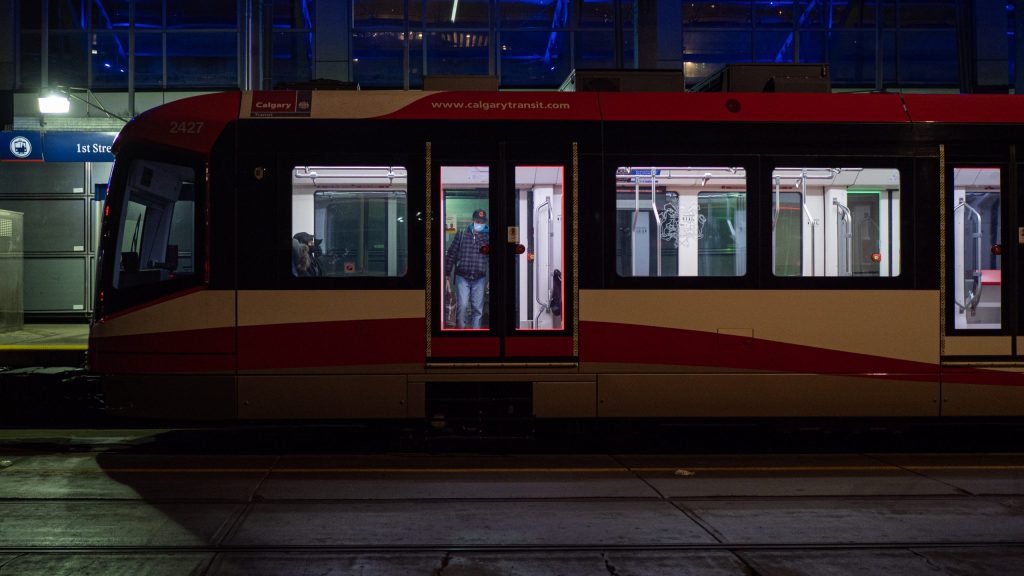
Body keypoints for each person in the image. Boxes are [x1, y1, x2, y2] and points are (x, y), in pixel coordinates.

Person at [444, 208, 489, 328]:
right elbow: (452, 253)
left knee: (477, 309)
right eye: (478, 220)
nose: (479, 223)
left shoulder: (488, 237)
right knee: (462, 306)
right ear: (473, 220)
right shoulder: (462, 233)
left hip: (480, 278)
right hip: (462, 277)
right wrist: (446, 273)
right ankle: (462, 332)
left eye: (482, 221)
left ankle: (476, 335)